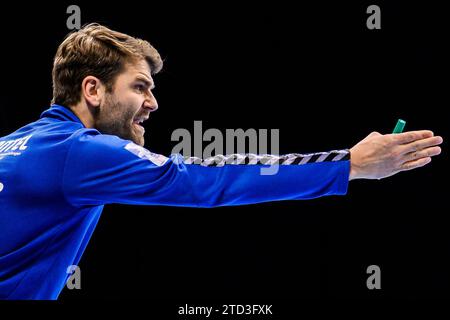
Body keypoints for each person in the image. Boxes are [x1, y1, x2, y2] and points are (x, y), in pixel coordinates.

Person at [0, 23, 443, 300]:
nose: (153, 103)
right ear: (93, 90)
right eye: (139, 87)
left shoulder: (13, 144)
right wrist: (350, 163)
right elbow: (206, 180)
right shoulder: (79, 152)